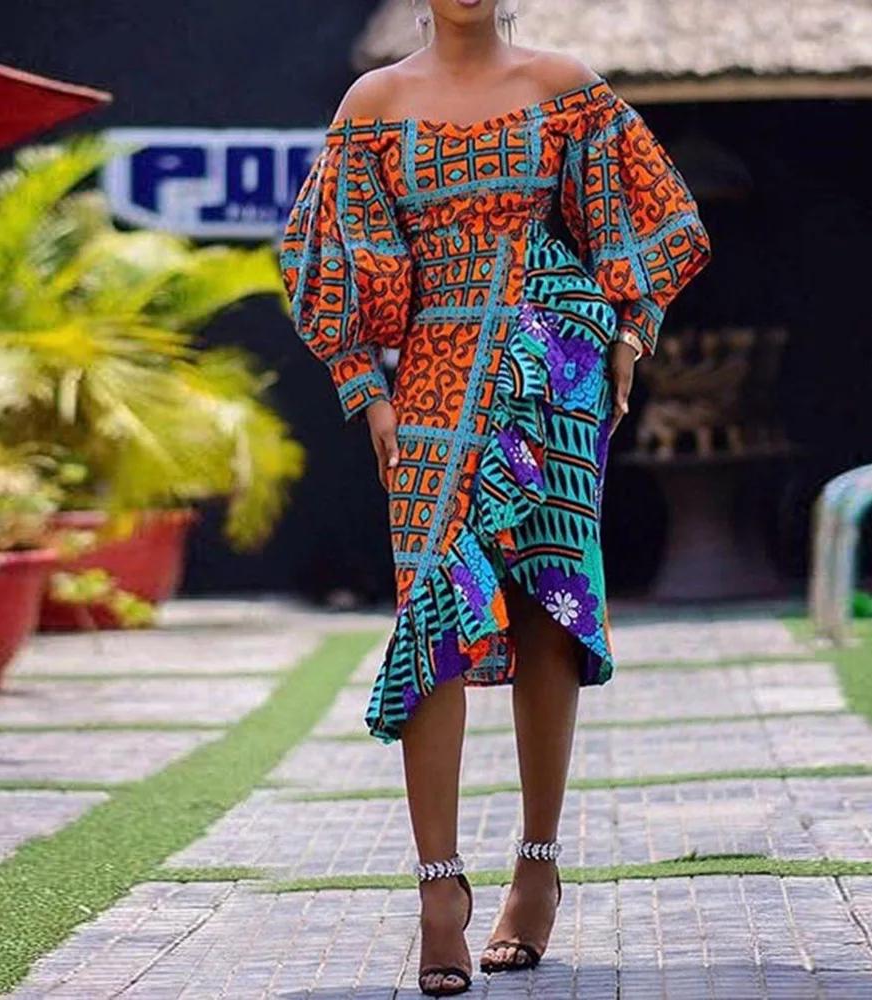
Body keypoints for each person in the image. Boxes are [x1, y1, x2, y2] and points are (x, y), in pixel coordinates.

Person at [281, 0, 710, 994]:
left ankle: (536, 866)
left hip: (557, 359)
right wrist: (364, 387)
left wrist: (629, 332)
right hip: (436, 366)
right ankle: (439, 890)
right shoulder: (374, 101)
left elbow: (653, 215)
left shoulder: (563, 86)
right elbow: (325, 253)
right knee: (434, 601)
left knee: (545, 602)